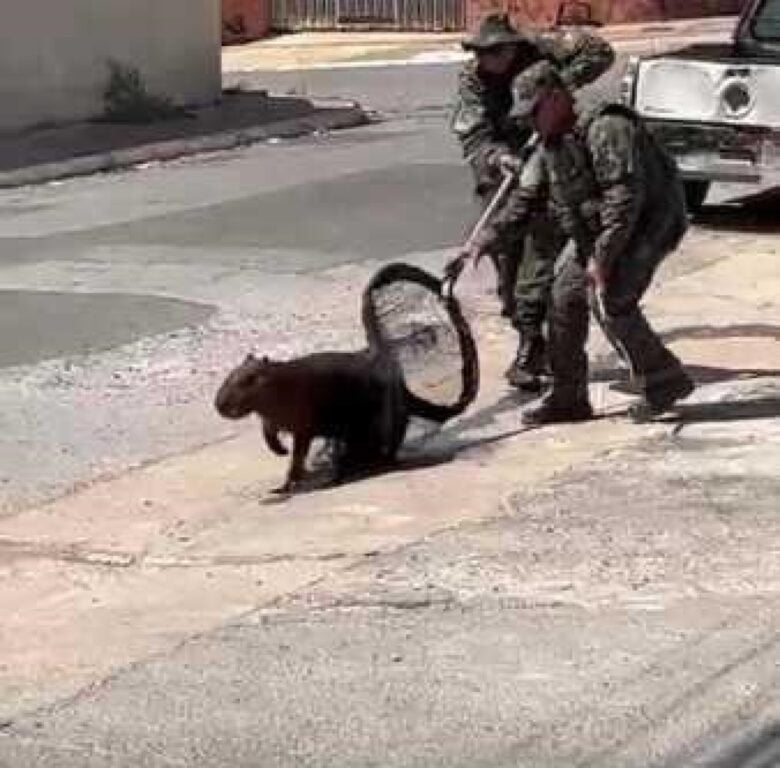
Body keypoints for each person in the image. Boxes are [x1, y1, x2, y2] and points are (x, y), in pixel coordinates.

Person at [448, 61, 695, 425]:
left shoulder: (608, 127)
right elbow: (526, 201)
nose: (531, 123)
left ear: (556, 98)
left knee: (612, 300)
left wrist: (603, 258)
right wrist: (484, 241)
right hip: (598, 229)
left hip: (648, 224)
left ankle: (663, 381)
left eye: (535, 112)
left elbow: (624, 199)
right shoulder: (548, 144)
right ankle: (569, 398)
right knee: (563, 299)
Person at [450, 12, 615, 390]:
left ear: (511, 46)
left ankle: (532, 349)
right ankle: (527, 330)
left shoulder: (539, 52)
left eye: (493, 51)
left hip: (550, 154)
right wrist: (497, 157)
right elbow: (473, 134)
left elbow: (600, 51)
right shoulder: (472, 79)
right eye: (478, 51)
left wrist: (557, 87)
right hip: (503, 167)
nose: (484, 59)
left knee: (538, 256)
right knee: (504, 257)